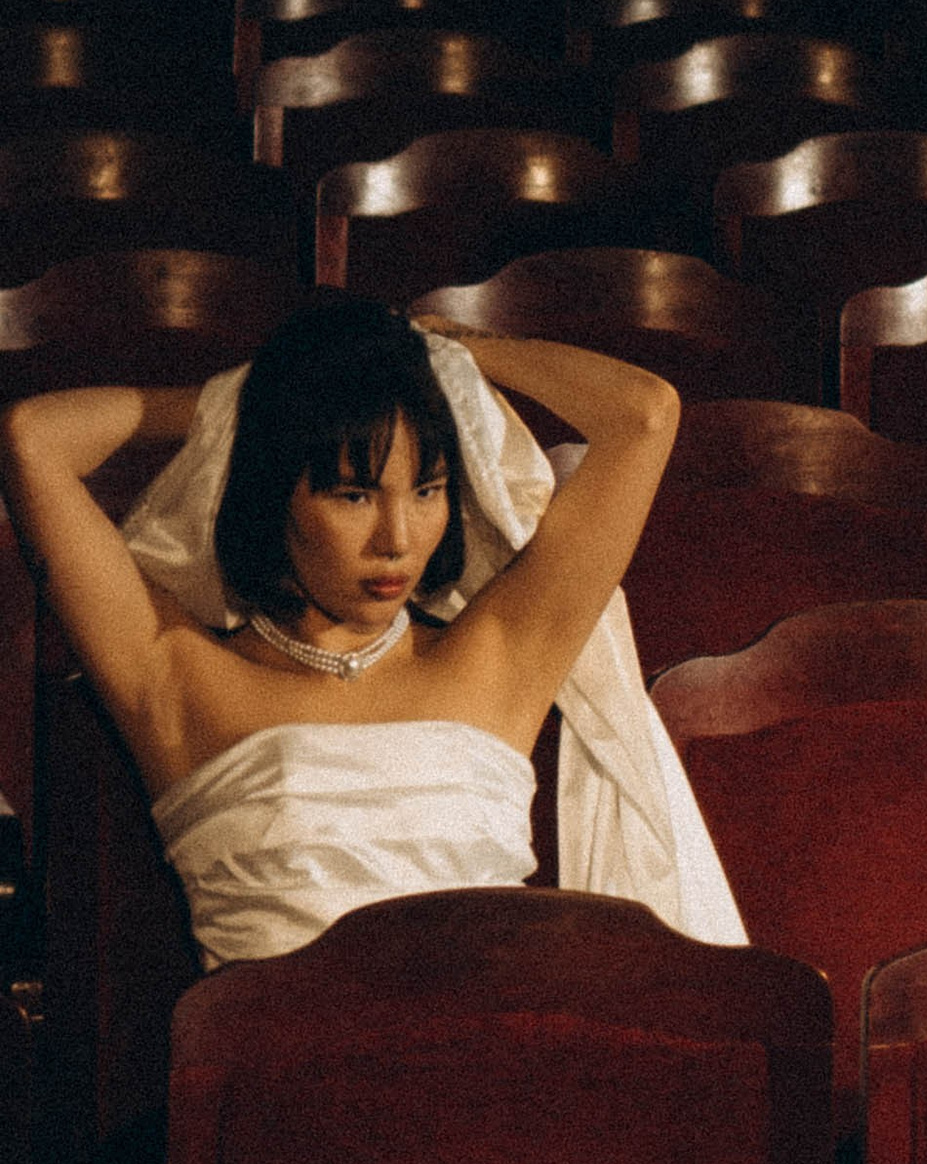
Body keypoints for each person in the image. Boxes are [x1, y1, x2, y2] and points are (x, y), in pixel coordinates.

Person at [0, 298, 744, 968]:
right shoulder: (175, 675)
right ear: (273, 490)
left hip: (496, 1082)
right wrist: (258, 403)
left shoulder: (502, 654)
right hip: (286, 1096)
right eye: (353, 494)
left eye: (427, 491)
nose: (396, 539)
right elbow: (34, 438)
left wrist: (455, 351)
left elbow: (645, 413)